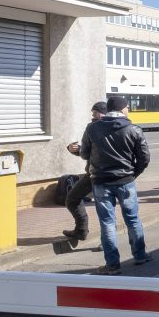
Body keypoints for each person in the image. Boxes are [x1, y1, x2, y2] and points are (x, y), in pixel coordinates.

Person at [79, 95, 151, 275]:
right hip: (125, 181)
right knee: (132, 219)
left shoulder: (92, 128)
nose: (128, 110)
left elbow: (84, 153)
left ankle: (112, 264)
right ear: (122, 109)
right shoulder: (133, 129)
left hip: (101, 181)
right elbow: (144, 157)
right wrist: (133, 173)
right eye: (127, 107)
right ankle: (140, 255)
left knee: (107, 223)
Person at [61, 101, 106, 244]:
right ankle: (81, 230)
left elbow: (88, 153)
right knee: (73, 198)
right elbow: (89, 152)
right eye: (93, 111)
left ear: (103, 113)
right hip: (97, 173)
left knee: (105, 209)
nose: (93, 114)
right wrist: (75, 149)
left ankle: (105, 242)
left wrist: (80, 150)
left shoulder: (94, 128)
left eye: (96, 112)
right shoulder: (117, 126)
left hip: (99, 174)